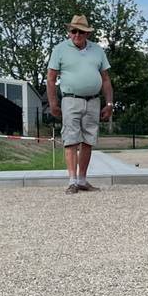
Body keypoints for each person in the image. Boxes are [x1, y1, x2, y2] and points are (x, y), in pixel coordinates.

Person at [45, 15, 113, 193]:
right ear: (69, 32)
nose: (77, 34)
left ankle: (82, 179)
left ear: (87, 33)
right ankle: (72, 180)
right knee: (71, 139)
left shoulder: (97, 50)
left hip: (93, 100)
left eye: (81, 31)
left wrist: (110, 103)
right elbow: (51, 79)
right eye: (73, 31)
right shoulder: (59, 49)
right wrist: (53, 103)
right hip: (70, 99)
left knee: (88, 140)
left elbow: (106, 79)